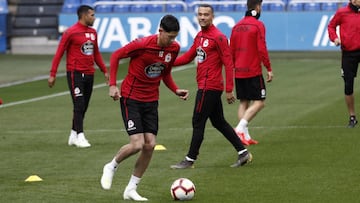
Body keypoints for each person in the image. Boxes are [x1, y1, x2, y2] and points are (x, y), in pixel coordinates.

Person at [100, 15, 189, 201]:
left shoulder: (174, 48)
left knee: (150, 145)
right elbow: (116, 55)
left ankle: (131, 189)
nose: (172, 41)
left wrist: (175, 90)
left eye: (175, 37)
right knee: (137, 144)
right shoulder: (142, 44)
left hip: (151, 100)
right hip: (131, 98)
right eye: (169, 36)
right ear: (160, 31)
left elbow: (165, 74)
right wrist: (112, 85)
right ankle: (111, 166)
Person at [170, 4, 252, 170]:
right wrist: (167, 63)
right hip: (206, 85)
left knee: (198, 121)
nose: (202, 17)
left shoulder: (218, 37)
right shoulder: (200, 36)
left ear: (212, 16)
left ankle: (190, 159)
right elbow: (187, 57)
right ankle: (243, 152)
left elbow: (228, 64)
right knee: (219, 122)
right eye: (200, 14)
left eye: (206, 14)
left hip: (210, 86)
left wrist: (229, 89)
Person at [48, 5, 109, 148]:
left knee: (84, 106)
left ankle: (73, 134)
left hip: (89, 73)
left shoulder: (93, 33)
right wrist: (53, 74)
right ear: (84, 16)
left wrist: (104, 70)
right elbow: (59, 53)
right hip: (75, 73)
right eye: (92, 15)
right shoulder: (70, 32)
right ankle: (80, 136)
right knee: (79, 104)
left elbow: (96, 53)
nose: (94, 18)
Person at [230, 0, 273, 146]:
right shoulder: (258, 25)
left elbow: (232, 50)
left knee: (244, 102)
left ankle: (245, 137)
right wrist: (269, 68)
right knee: (260, 102)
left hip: (239, 71)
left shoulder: (236, 26)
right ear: (258, 7)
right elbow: (262, 48)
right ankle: (239, 129)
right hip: (253, 70)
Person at [328, 0, 360, 128]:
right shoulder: (342, 12)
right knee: (348, 85)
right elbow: (331, 26)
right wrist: (334, 38)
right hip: (349, 53)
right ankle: (352, 117)